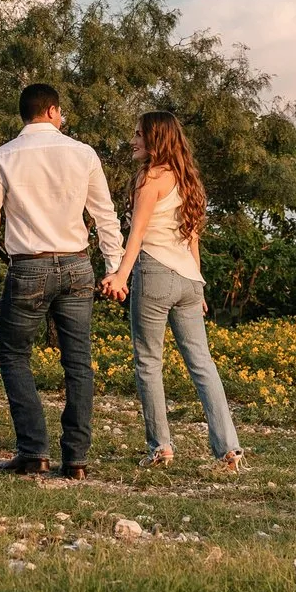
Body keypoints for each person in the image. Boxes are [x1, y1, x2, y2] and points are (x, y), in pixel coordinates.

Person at [0, 83, 123, 478]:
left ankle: (34, 451)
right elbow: (105, 215)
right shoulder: (83, 153)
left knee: (15, 355)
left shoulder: (1, 157)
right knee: (78, 363)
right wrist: (114, 267)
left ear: (25, 114)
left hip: (29, 267)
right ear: (52, 111)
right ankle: (76, 460)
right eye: (61, 111)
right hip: (76, 265)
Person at [99, 110, 244, 471]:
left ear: (156, 139)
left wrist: (120, 275)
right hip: (189, 279)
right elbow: (192, 235)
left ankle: (160, 447)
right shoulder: (188, 179)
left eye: (138, 134)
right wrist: (200, 282)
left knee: (148, 361)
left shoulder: (150, 178)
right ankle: (229, 449)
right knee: (202, 364)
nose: (133, 140)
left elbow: (138, 233)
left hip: (156, 273)